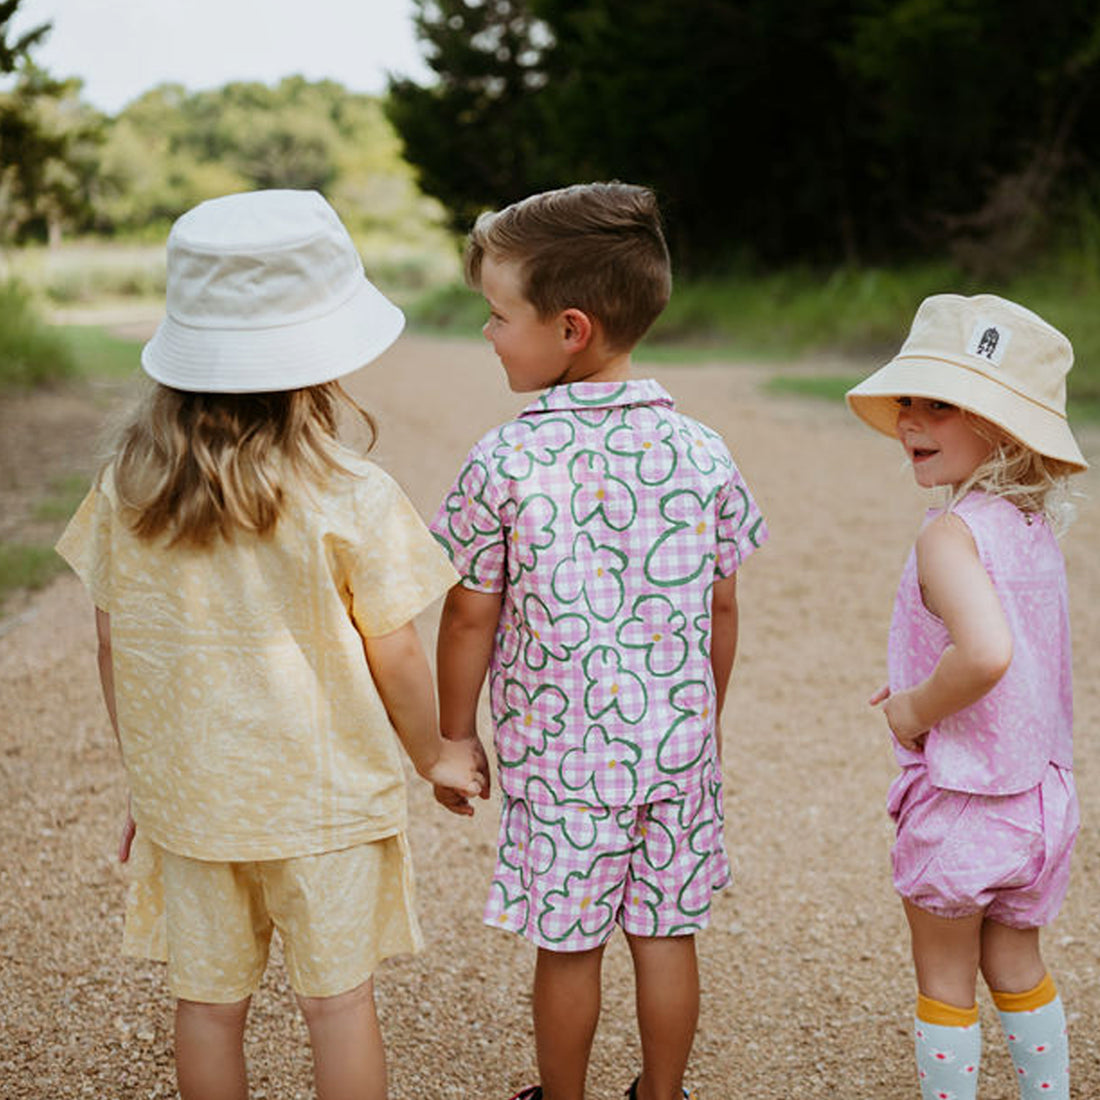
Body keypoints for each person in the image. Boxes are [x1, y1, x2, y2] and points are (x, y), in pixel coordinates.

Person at [55, 189, 484, 1100]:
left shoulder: (128, 491)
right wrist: (435, 753)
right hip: (323, 805)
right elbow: (396, 650)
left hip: (194, 804)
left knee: (208, 1009)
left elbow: (112, 642)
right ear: (319, 360)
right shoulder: (350, 491)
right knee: (338, 1006)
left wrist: (148, 775)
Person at [429, 182, 768, 1100]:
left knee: (569, 942)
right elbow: (721, 611)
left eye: (498, 316)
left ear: (569, 328)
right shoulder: (703, 451)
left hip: (562, 757)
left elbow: (469, 613)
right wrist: (706, 722)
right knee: (666, 934)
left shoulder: (504, 459)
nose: (489, 335)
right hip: (675, 747)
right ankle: (662, 1095)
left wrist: (454, 737)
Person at [846, 294, 1088, 1100]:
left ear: (1004, 428)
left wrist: (915, 709)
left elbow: (985, 653)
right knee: (1017, 963)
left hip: (966, 799)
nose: (912, 419)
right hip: (1041, 799)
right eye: (908, 399)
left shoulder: (949, 534)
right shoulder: (1026, 526)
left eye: (941, 405)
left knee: (945, 980)